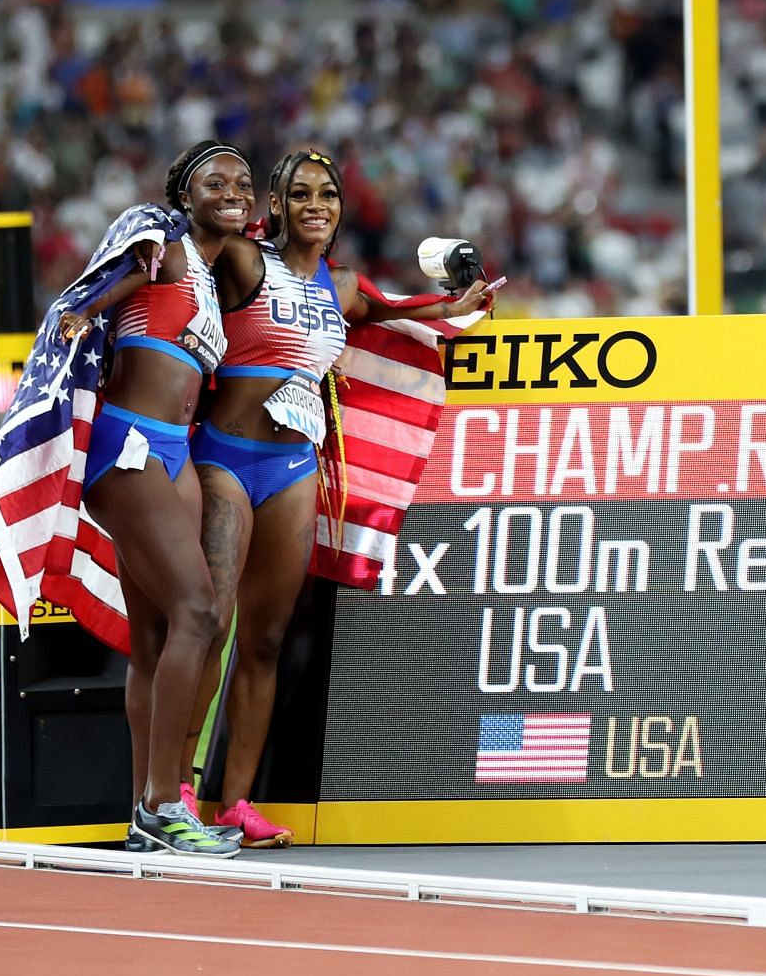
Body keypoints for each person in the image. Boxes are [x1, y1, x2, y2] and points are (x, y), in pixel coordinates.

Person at [186, 148, 493, 847]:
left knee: (264, 640)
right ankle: (175, 795)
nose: (316, 205)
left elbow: (421, 312)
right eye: (300, 194)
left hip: (293, 468)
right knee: (210, 623)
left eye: (327, 194)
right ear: (277, 202)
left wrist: (466, 300)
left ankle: (234, 805)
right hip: (225, 459)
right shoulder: (240, 260)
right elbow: (180, 256)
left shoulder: (345, 287)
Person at [59, 141, 254, 856]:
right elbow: (120, 272)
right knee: (200, 613)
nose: (232, 190)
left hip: (174, 450)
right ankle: (162, 802)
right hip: (132, 444)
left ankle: (146, 812)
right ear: (184, 192)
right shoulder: (166, 242)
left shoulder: (210, 270)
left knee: (153, 641)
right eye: (214, 181)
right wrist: (86, 309)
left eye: (242, 182)